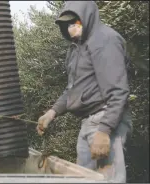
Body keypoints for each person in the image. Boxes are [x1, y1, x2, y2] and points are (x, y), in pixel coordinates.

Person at [36, 1, 132, 182]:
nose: (71, 27)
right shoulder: (76, 48)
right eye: (66, 24)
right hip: (88, 122)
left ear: (87, 18)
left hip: (105, 119)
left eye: (75, 22)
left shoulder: (105, 40)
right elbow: (73, 89)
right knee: (85, 179)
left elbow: (118, 91)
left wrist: (104, 131)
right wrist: (51, 113)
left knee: (108, 179)